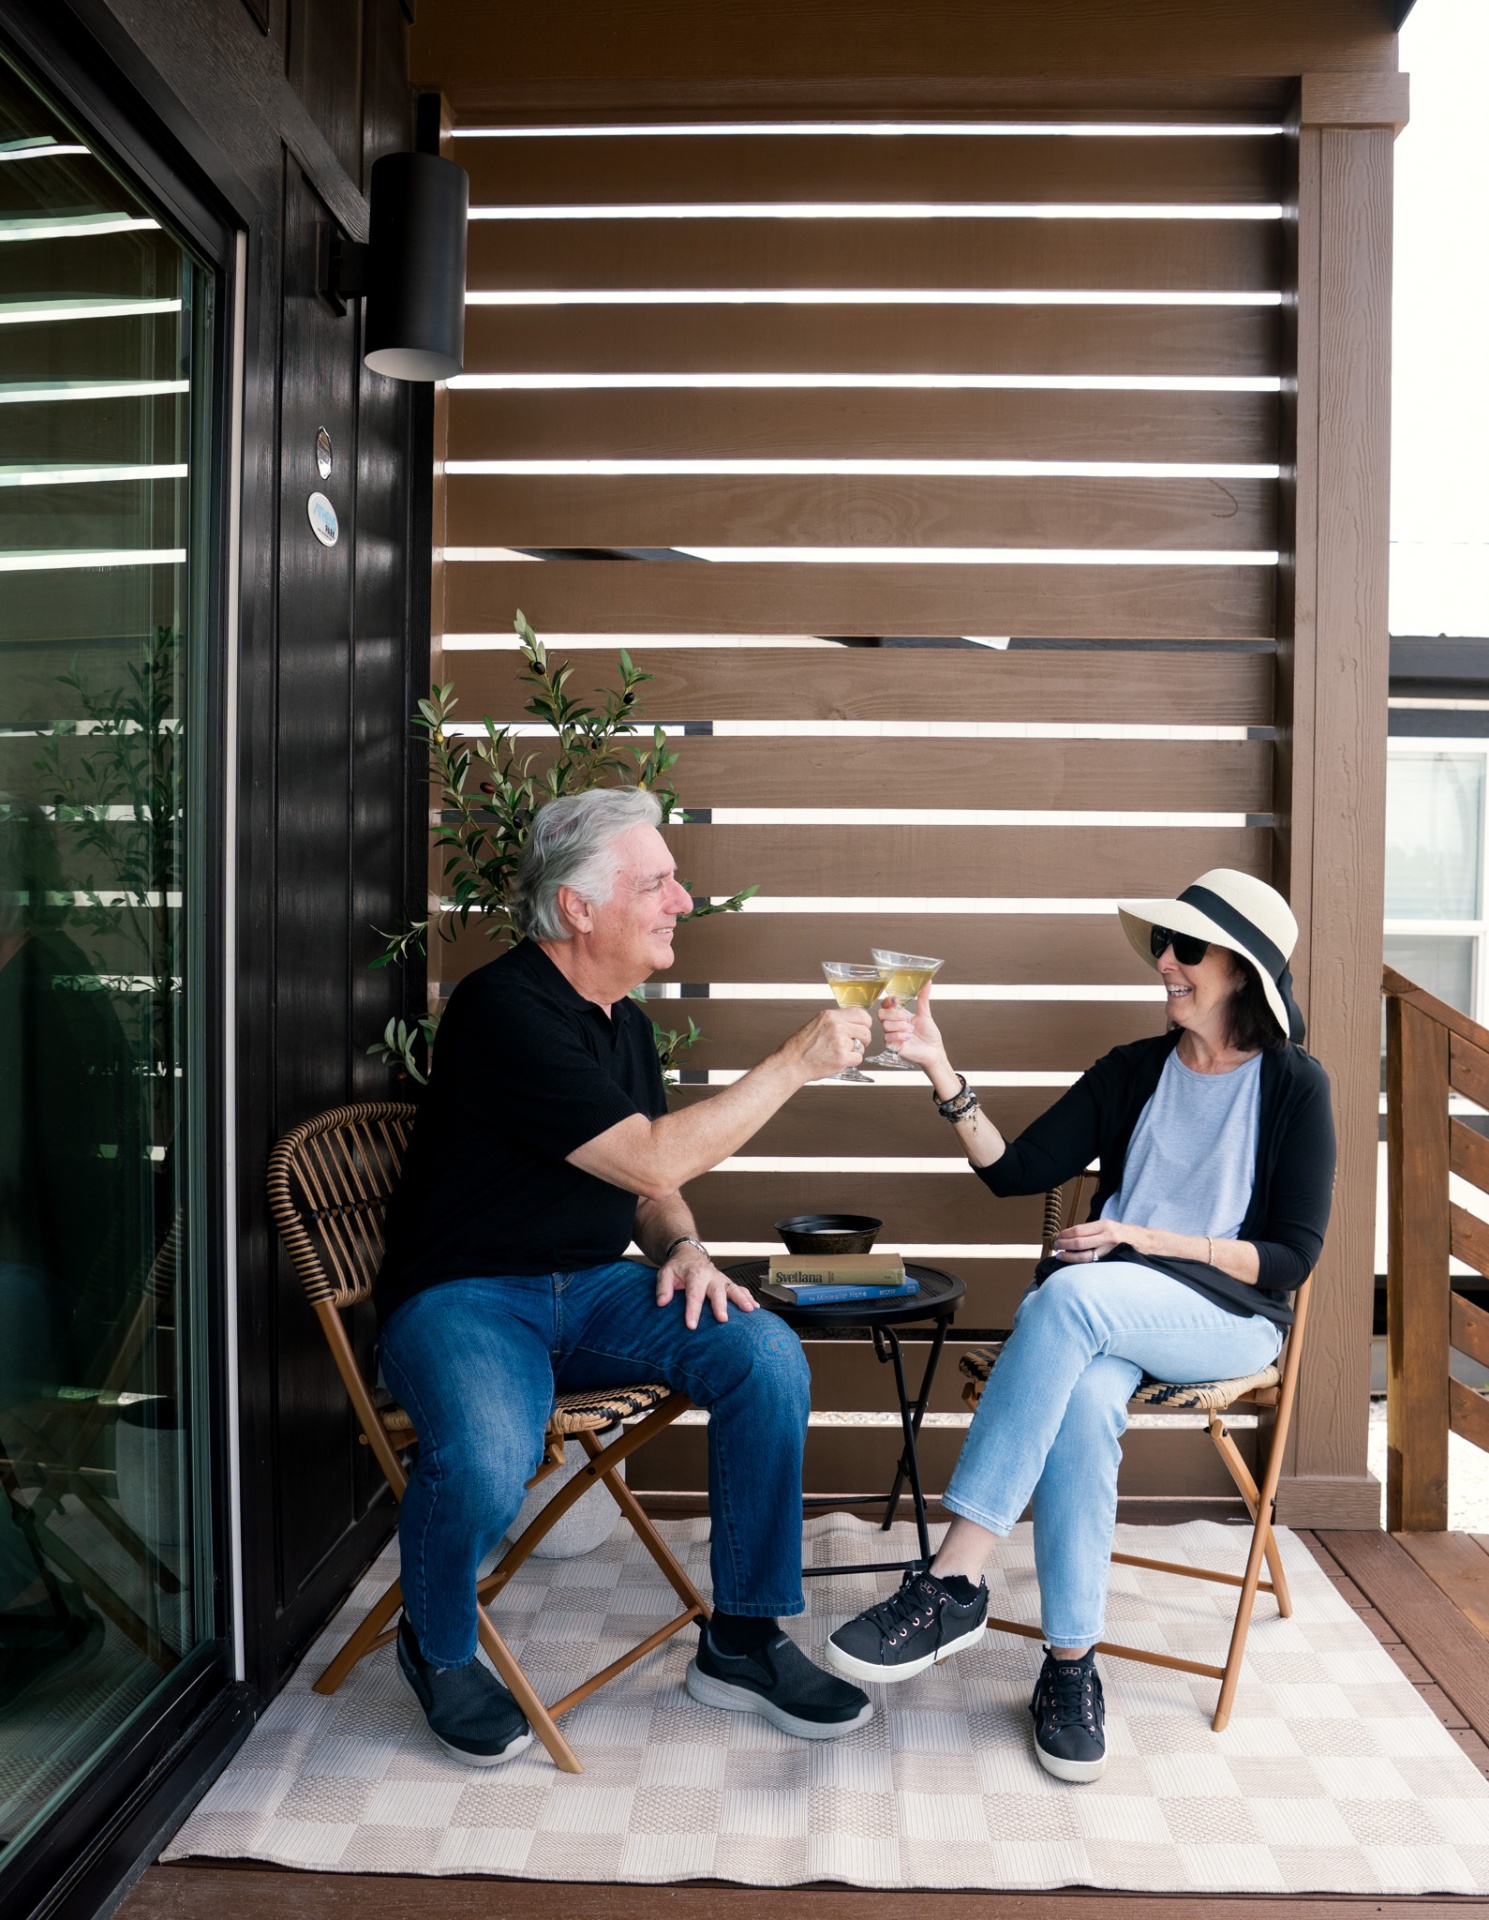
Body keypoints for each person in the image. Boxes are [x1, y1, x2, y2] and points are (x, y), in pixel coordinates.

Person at [377, 786, 876, 1766]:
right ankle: (435, 1648)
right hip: (464, 1297)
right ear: (578, 907)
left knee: (761, 1354)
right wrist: (790, 1065)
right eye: (657, 883)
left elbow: (651, 1190)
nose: (681, 902)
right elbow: (650, 1155)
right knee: (484, 1457)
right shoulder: (502, 1008)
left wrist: (685, 1246)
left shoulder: (625, 1027)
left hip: (591, 1286)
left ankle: (740, 1639)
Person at [825, 869, 1336, 1784]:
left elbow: (1290, 1259)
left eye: (1185, 949)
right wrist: (939, 1065)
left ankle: (952, 1581)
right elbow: (1012, 1171)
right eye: (1161, 947)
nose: (1164, 964)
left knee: (1068, 1294)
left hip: (1224, 1320)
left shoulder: (1296, 1087)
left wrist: (1144, 1236)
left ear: (1242, 969)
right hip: (1102, 1325)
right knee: (1084, 1395)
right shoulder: (1131, 1071)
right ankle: (1069, 1664)